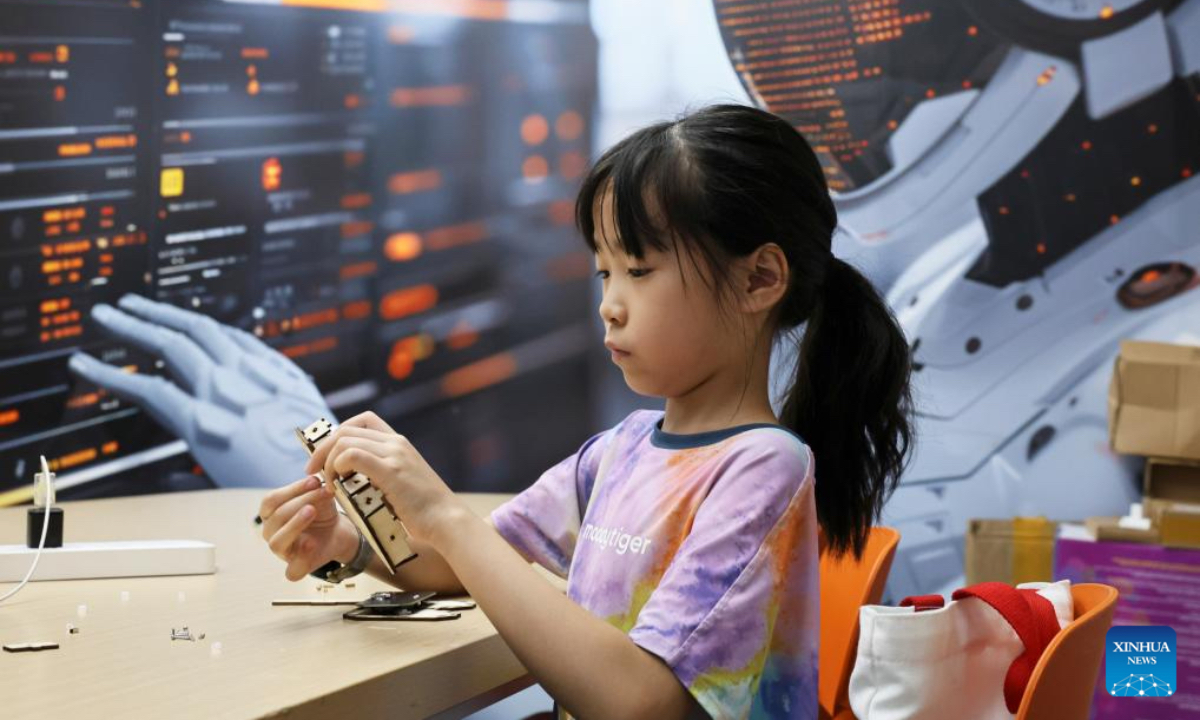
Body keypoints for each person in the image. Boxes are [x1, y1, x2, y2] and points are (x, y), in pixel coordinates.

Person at [258, 104, 915, 720]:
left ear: (759, 280)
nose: (611, 302)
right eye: (605, 273)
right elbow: (462, 563)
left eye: (640, 268)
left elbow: (638, 700)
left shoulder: (764, 465)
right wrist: (347, 545)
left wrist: (443, 513)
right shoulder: (622, 449)